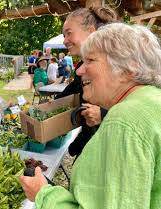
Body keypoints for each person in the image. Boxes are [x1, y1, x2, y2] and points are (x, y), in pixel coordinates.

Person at [20, 23, 161, 209]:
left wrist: (44, 194)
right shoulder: (151, 101)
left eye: (90, 61)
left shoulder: (124, 119)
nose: (79, 71)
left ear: (129, 69)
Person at [56, 6, 117, 158]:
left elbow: (136, 109)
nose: (64, 40)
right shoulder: (80, 68)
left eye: (69, 33)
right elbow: (68, 94)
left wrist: (104, 114)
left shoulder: (118, 63)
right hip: (91, 151)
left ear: (91, 32)